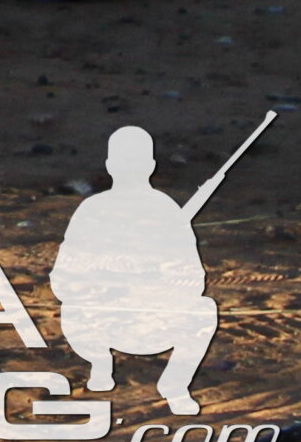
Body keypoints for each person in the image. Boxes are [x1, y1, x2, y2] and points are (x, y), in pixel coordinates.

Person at [52, 123, 228, 414]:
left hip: (154, 322)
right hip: (98, 322)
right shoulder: (91, 211)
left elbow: (194, 279)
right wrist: (108, 284)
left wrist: (156, 282)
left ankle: (175, 384)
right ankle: (100, 363)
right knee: (72, 308)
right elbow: (62, 280)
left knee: (204, 308)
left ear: (150, 166)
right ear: (110, 165)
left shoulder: (167, 211)